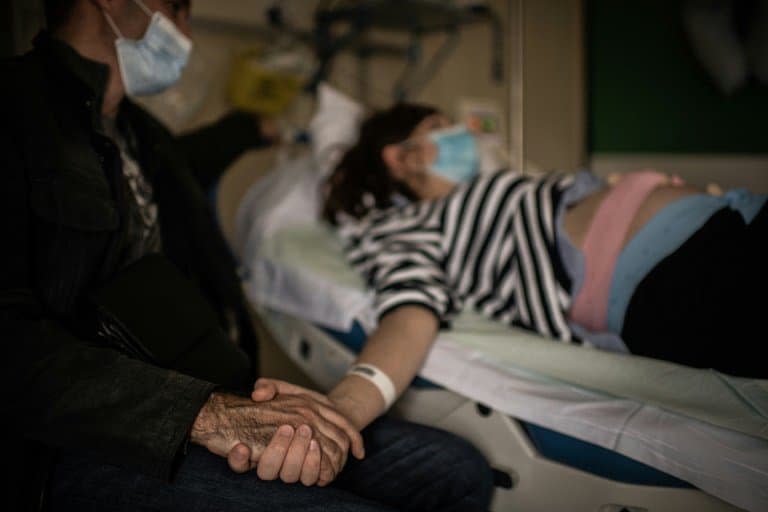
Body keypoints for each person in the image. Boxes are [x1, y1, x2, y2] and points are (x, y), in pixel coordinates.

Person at [0, 1, 494, 511]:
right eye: (178, 9)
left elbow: (195, 159)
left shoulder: (144, 139)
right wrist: (206, 414)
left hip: (200, 386)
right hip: (81, 438)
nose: (184, 31)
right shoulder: (14, 114)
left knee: (455, 473)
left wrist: (260, 406)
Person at [315, 102, 767, 433]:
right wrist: (345, 409)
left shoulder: (485, 189)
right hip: (679, 278)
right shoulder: (401, 227)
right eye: (440, 126)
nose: (461, 134)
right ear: (403, 156)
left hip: (733, 220)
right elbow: (409, 311)